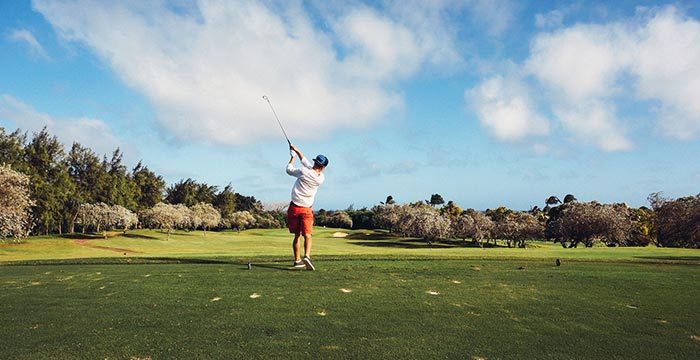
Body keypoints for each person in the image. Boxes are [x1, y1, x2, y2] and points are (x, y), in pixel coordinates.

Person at [286, 144, 328, 270]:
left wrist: (292, 157)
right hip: (307, 209)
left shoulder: (304, 172)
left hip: (294, 208)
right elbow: (306, 162)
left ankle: (297, 261)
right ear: (323, 167)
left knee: (297, 236)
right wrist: (297, 150)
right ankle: (307, 257)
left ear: (315, 163)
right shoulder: (321, 178)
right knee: (308, 234)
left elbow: (289, 169)